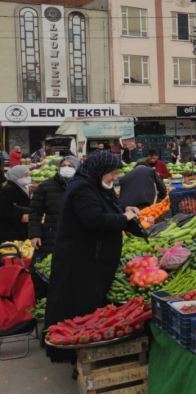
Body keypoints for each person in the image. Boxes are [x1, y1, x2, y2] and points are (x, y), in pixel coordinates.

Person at [44, 152, 144, 362]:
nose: (115, 177)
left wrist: (126, 211)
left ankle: (81, 351)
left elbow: (107, 209)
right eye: (112, 173)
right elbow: (93, 219)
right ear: (100, 171)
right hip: (81, 261)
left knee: (88, 307)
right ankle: (73, 352)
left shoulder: (96, 186)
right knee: (78, 309)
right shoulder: (82, 189)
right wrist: (123, 217)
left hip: (93, 259)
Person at [28, 157, 79, 262]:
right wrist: (35, 234)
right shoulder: (45, 186)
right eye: (63, 165)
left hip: (76, 236)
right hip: (51, 235)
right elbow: (35, 212)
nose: (66, 168)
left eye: (70, 166)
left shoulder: (82, 187)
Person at [0, 165, 32, 243]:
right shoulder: (9, 190)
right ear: (17, 175)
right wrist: (20, 216)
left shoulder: (20, 186)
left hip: (19, 227)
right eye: (25, 175)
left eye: (28, 175)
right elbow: (4, 209)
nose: (28, 177)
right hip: (11, 230)